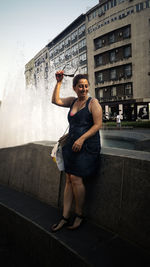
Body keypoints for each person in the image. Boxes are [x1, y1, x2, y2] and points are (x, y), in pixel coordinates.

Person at [51, 70, 102, 231]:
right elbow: (56, 100)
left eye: (86, 86)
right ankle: (65, 217)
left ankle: (79, 214)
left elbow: (97, 125)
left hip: (87, 147)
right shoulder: (73, 102)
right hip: (72, 146)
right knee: (68, 179)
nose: (84, 89)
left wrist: (82, 138)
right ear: (74, 88)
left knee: (75, 178)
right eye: (80, 86)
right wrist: (58, 82)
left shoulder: (93, 103)